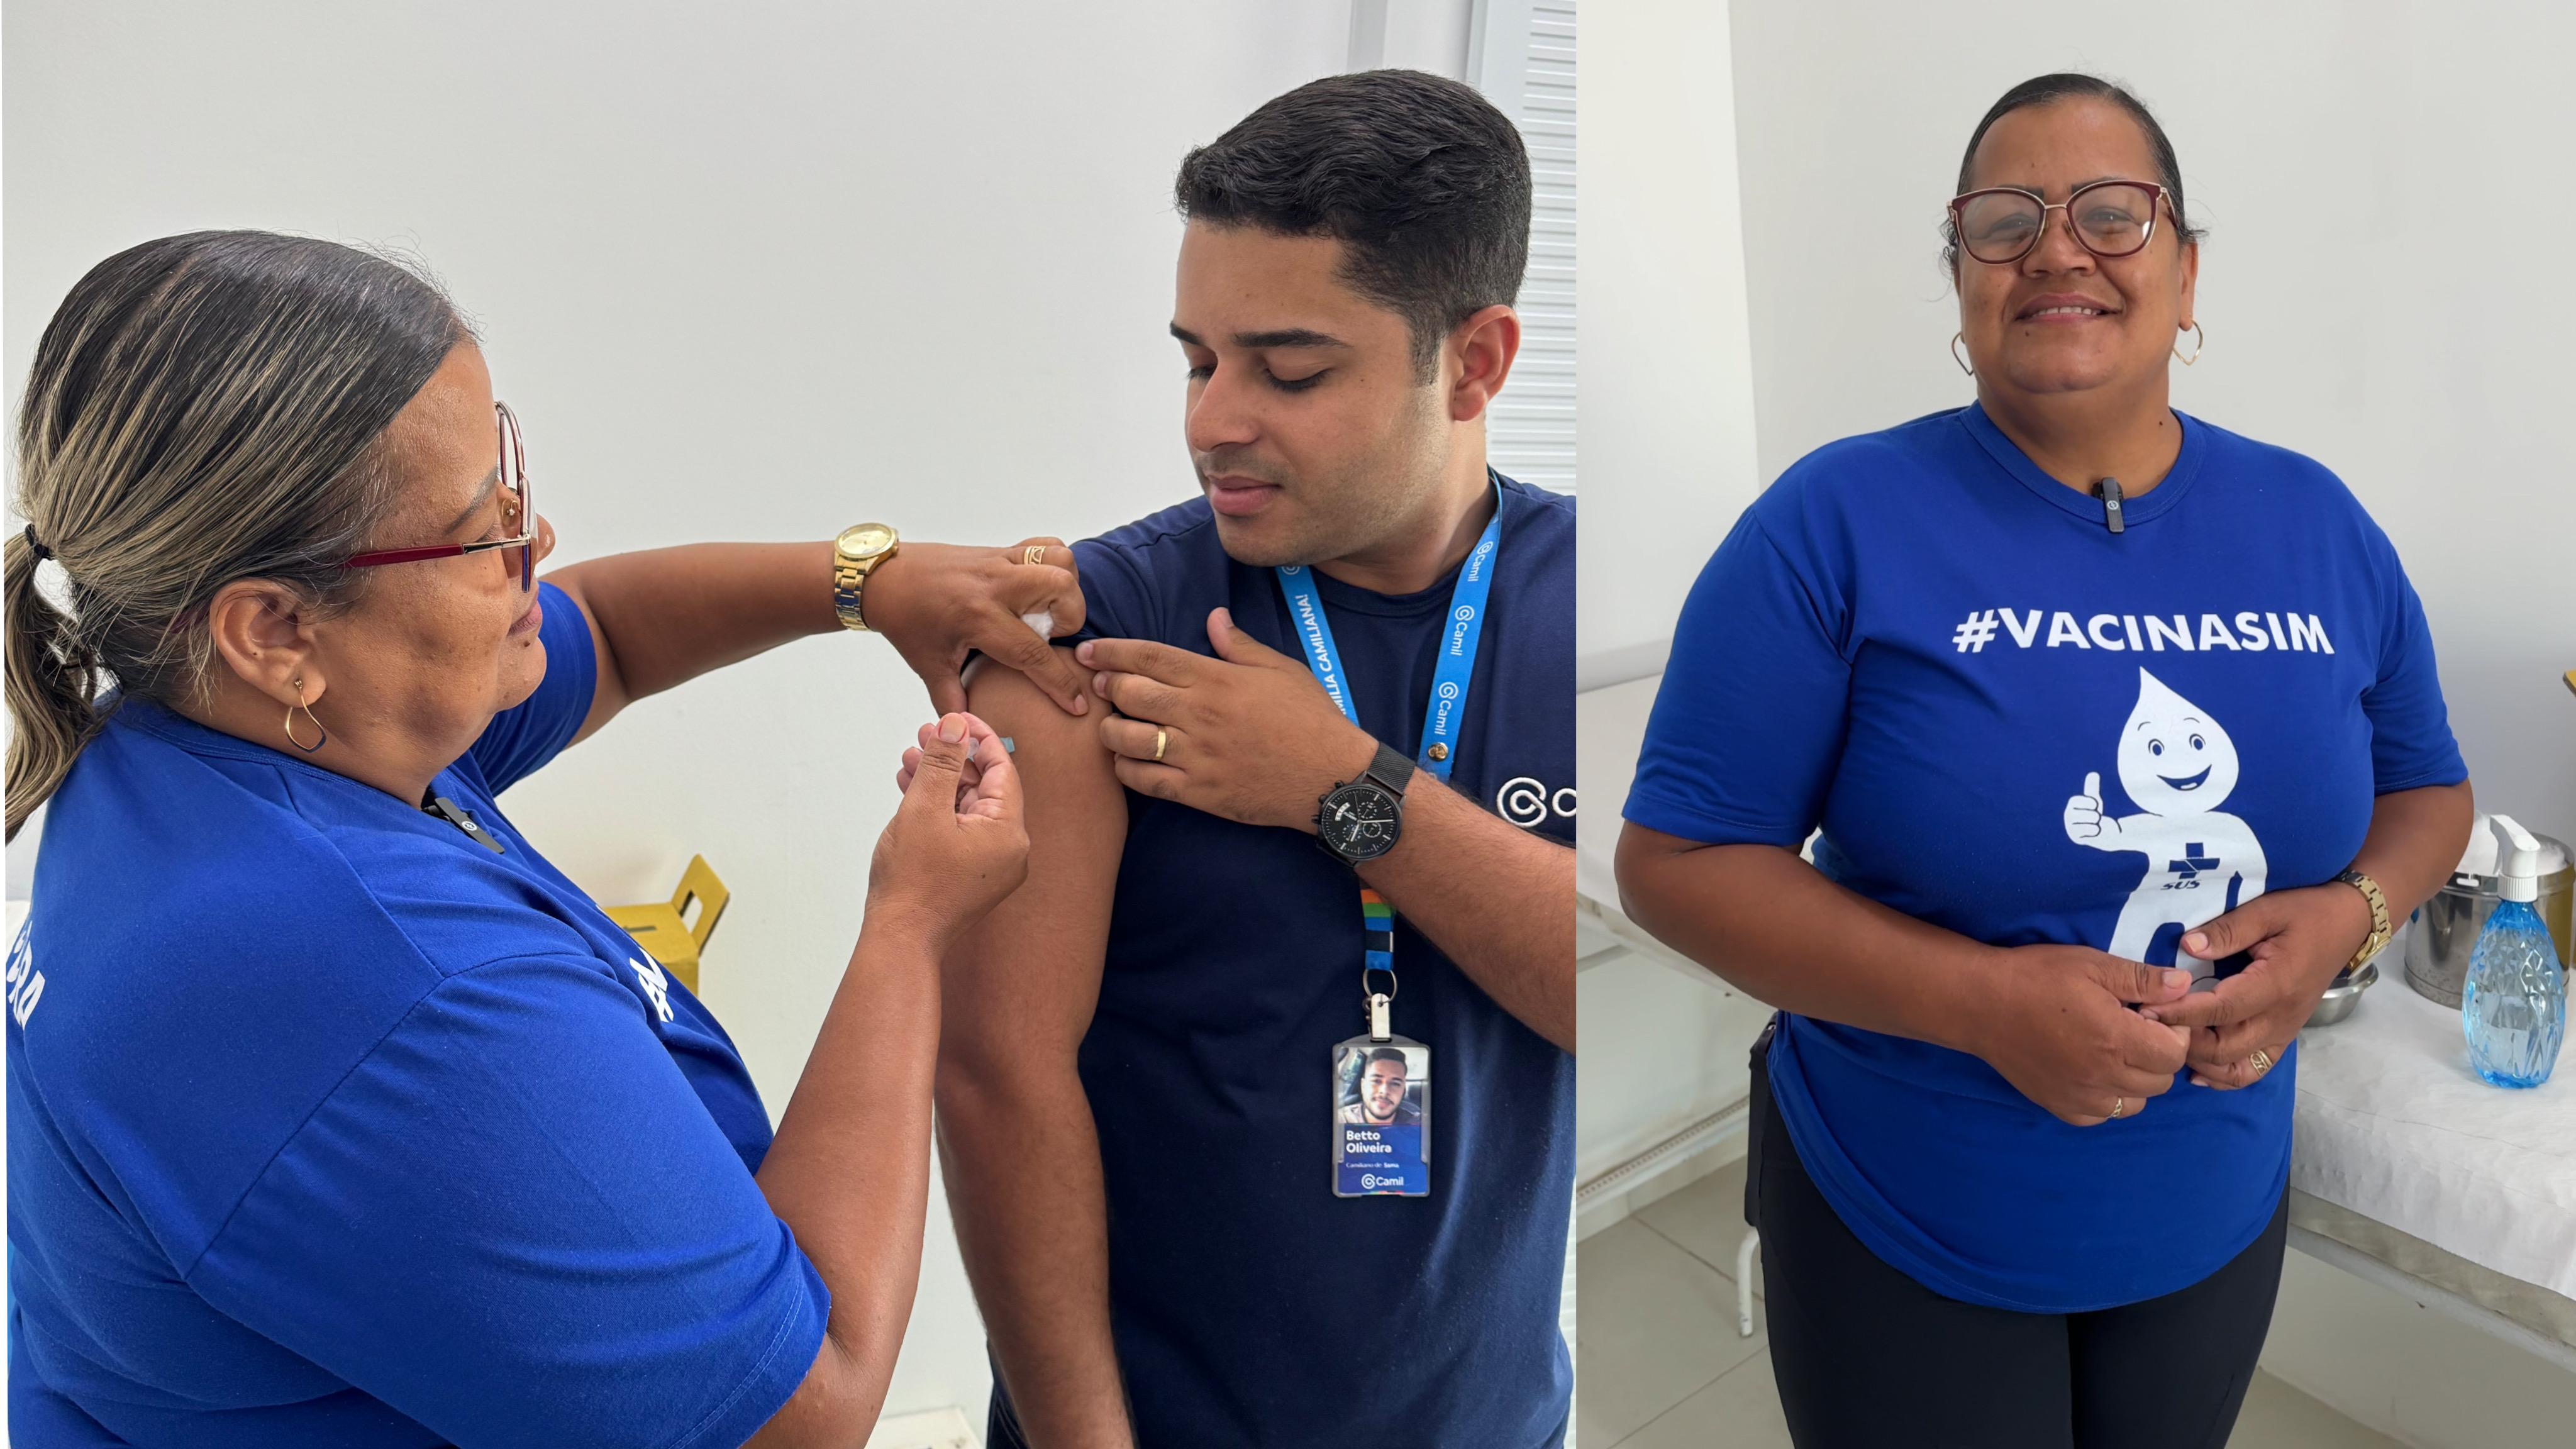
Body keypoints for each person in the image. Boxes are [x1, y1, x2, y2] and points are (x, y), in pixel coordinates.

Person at [3, 231, 1070, 1446]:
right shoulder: (400, 995)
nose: (538, 537)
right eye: (483, 529)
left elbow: (605, 631)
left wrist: (861, 580)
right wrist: (912, 922)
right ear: (277, 629)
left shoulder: (212, 730)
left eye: (511, 480)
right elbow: (801, 1410)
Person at [1614, 75, 2473, 1449]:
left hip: (2210, 1210)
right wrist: (1980, 1004)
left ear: (2186, 273)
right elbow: (1676, 862)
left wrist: (2347, 919)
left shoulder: (2317, 524)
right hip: (1905, 1213)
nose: (2056, 248)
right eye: (2003, 220)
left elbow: (2429, 790)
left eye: (2111, 214)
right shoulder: (1831, 521)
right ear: (1960, 277)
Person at [930, 70, 1575, 1449]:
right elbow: (994, 1075)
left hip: (1493, 1412)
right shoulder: (1090, 633)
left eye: (1288, 370)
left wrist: (1343, 786)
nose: (1212, 420)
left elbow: (1599, 981)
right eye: (1197, 359)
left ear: (1473, 362)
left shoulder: (1594, 600)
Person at [1341, 1047, 1421, 1126]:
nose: (1385, 1091)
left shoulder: (1418, 1124)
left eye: (1395, 1084)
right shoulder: (1341, 1120)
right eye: (1376, 1081)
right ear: (1363, 1085)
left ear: (1403, 1090)